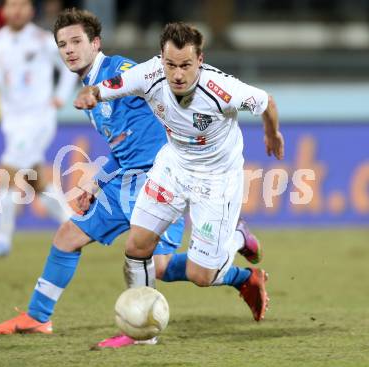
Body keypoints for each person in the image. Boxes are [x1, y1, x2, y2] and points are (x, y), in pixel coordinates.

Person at [0, 9, 264, 349]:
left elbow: (166, 107)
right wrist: (97, 180)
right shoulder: (91, 89)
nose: (69, 50)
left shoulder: (121, 73)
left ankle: (159, 322)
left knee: (157, 264)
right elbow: (123, 146)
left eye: (76, 41)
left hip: (161, 179)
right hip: (126, 179)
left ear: (95, 43)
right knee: (72, 236)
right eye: (62, 44)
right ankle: (38, 317)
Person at [75, 21, 284, 345]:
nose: (177, 74)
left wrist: (272, 133)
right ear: (161, 59)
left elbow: (266, 101)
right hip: (174, 167)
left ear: (199, 60)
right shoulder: (149, 74)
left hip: (217, 181)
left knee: (203, 276)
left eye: (186, 65)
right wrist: (92, 93)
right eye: (170, 64)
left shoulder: (220, 89)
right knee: (137, 246)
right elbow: (110, 85)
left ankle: (236, 238)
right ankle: (142, 333)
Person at [0, 0, 76, 257]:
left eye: (22, 5)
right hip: (12, 121)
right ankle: (76, 225)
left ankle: (2, 239)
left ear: (30, 11)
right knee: (35, 181)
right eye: (12, 5)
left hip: (39, 118)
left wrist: (61, 96)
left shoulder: (42, 40)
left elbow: (69, 66)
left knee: (7, 171)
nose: (17, 10)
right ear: (3, 11)